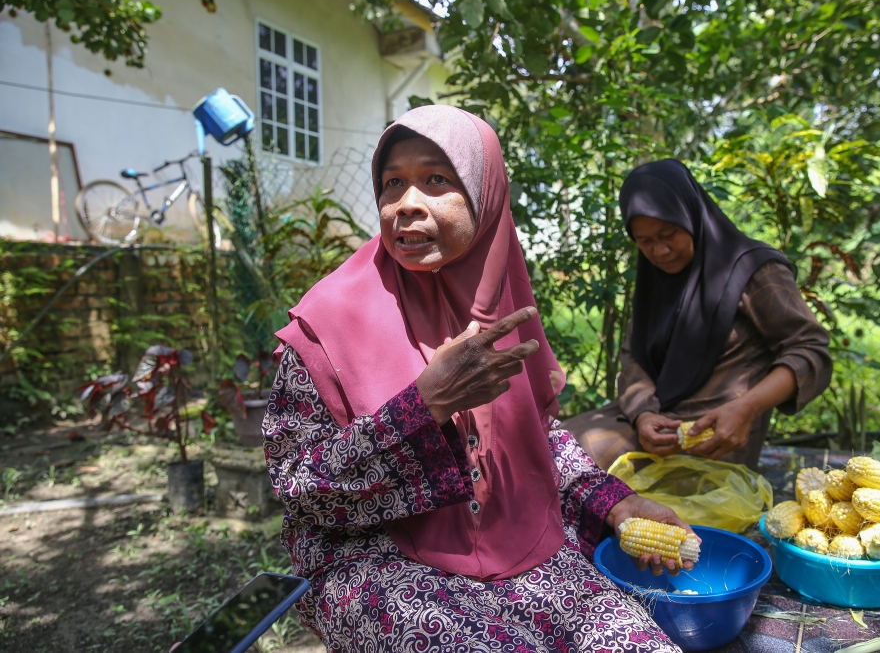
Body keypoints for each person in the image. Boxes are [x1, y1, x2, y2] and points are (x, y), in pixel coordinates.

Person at [262, 105, 696, 652]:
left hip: (521, 546)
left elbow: (534, 434)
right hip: (375, 561)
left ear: (486, 198)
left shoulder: (502, 307)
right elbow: (298, 487)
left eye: (437, 180)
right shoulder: (327, 325)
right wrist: (423, 405)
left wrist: (616, 502)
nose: (406, 205)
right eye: (393, 183)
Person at [562, 160, 832, 471]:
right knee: (547, 442)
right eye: (645, 241)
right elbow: (633, 356)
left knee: (572, 463)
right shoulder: (656, 282)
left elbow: (810, 350)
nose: (660, 251)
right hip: (652, 422)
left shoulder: (751, 271)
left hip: (712, 436)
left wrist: (746, 408)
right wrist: (643, 413)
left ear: (691, 218)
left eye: (669, 233)